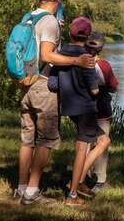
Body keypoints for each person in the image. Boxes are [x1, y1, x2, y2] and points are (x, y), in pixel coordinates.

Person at [16, 0, 94, 205]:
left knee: (27, 138)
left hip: (25, 83)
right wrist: (76, 60)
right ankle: (32, 192)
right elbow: (47, 56)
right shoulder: (49, 21)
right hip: (42, 85)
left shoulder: (28, 17)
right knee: (46, 139)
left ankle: (22, 188)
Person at [47, 17, 108, 206]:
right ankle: (72, 194)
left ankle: (78, 181)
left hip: (69, 106)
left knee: (103, 140)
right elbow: (95, 90)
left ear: (70, 33)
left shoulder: (60, 54)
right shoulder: (87, 58)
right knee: (82, 149)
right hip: (86, 109)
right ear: (88, 36)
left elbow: (53, 83)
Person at [81, 32, 118, 193]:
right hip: (101, 108)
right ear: (101, 48)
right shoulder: (103, 65)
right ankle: (100, 180)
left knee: (85, 143)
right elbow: (114, 86)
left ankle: (83, 175)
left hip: (82, 107)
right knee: (102, 144)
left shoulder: (77, 62)